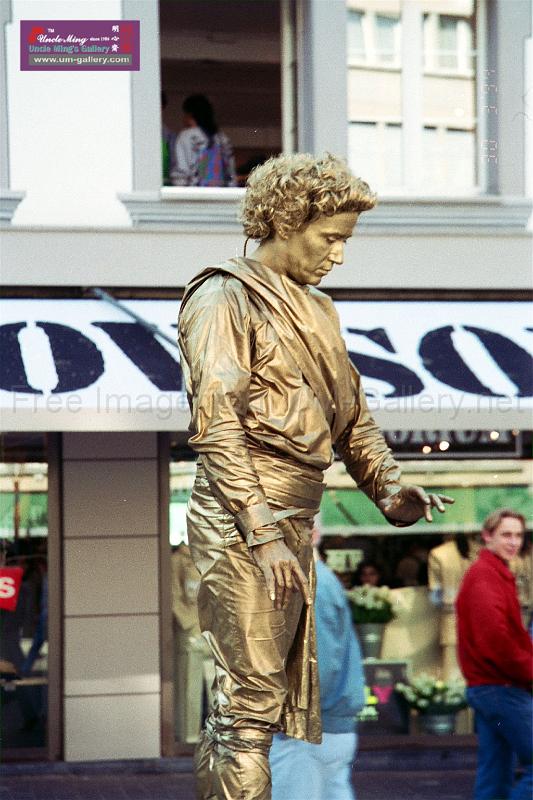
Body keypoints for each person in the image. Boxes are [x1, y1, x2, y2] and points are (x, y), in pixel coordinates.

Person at [177, 152, 454, 800]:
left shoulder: (320, 310)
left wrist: (390, 490)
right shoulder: (222, 297)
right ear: (284, 221)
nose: (339, 255)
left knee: (259, 704)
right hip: (241, 520)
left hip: (292, 523)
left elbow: (352, 419)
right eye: (330, 238)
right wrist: (261, 531)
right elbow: (216, 425)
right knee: (249, 704)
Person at [270, 536, 365, 800]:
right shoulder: (315, 580)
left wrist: (291, 718)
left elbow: (316, 666)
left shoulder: (308, 583)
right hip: (320, 727)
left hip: (307, 731)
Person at [456, 509, 533, 800]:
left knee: (495, 775)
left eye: (519, 536)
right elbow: (497, 641)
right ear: (487, 536)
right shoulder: (486, 576)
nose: (514, 542)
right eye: (506, 535)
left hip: (489, 688)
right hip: (502, 688)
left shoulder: (490, 572)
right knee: (497, 773)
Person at [428, 533, 480, 680]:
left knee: (453, 678)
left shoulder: (438, 554)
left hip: (452, 622)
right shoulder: (488, 551)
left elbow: (435, 596)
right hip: (483, 622)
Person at [170, 94, 236, 187]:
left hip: (194, 193)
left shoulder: (186, 136)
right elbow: (231, 175)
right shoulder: (222, 138)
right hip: (221, 193)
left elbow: (181, 172)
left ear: (189, 114)